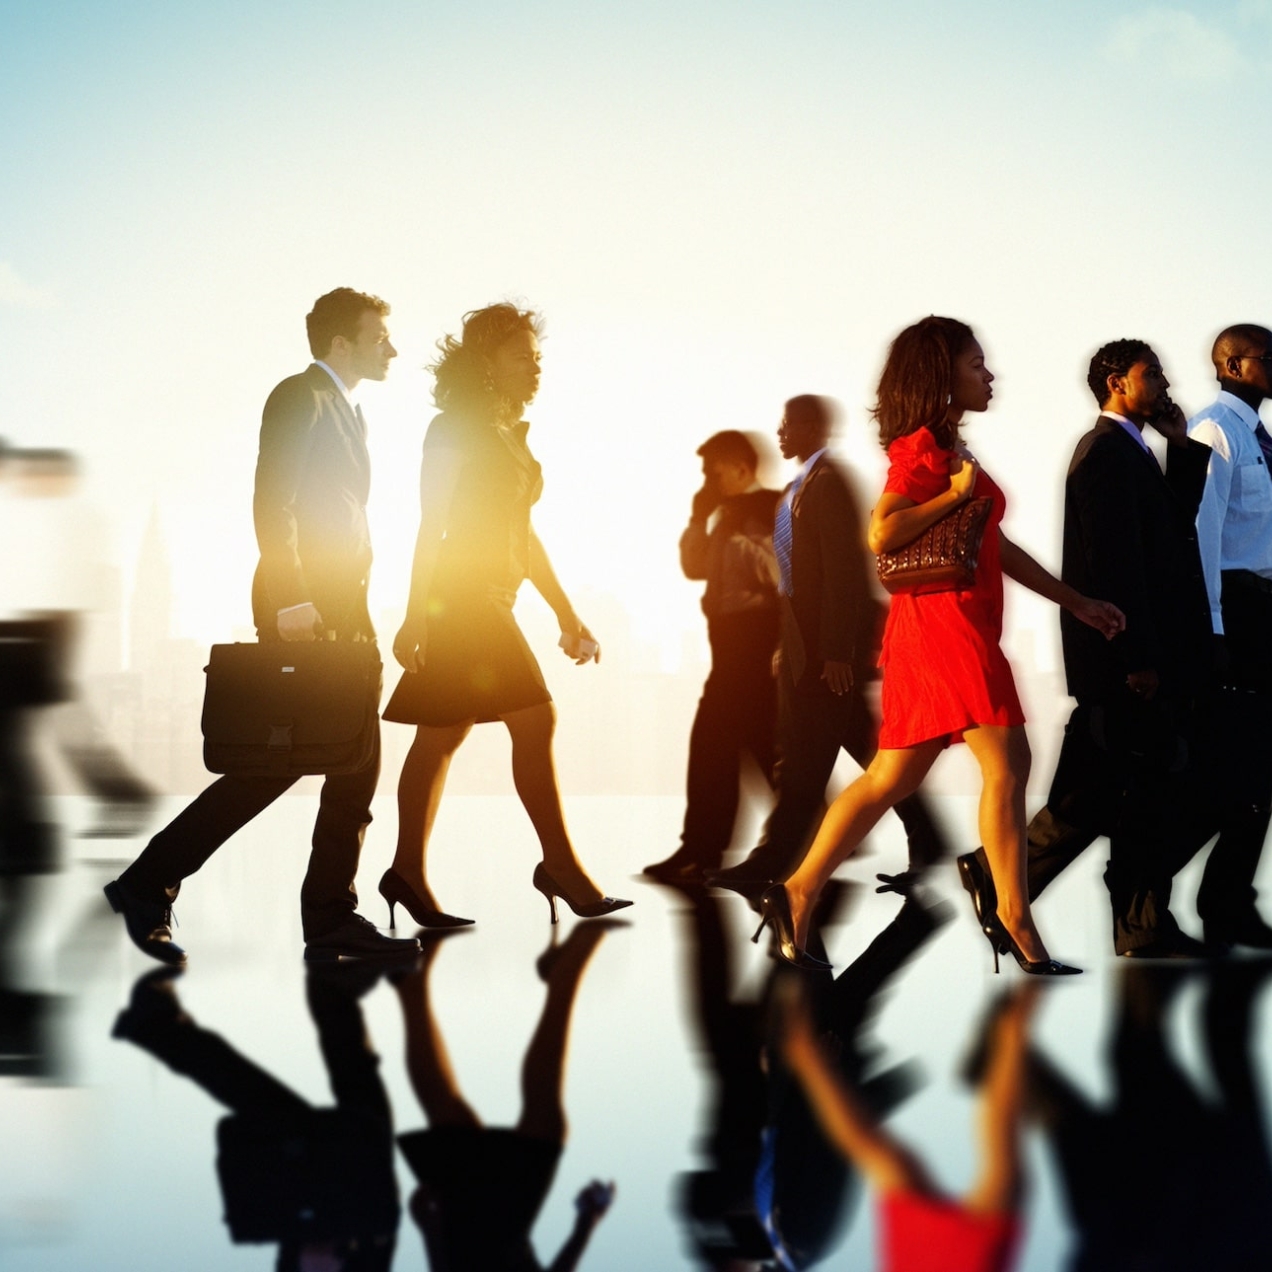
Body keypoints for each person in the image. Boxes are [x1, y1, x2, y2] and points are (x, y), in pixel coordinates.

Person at [755, 317, 1123, 973]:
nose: (989, 375)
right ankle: (1012, 914)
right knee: (1007, 758)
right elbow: (882, 533)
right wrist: (949, 494)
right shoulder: (922, 450)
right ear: (940, 375)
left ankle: (795, 890)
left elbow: (991, 543)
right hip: (942, 627)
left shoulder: (953, 447)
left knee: (893, 775)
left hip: (953, 625)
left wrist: (1077, 601)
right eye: (976, 364)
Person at [105, 288, 420, 965]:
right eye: (380, 336)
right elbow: (271, 497)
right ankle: (149, 881)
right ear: (341, 343)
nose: (393, 348)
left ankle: (329, 915)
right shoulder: (299, 396)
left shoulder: (345, 411)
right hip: (307, 603)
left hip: (343, 603)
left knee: (353, 757)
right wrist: (290, 596)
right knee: (287, 760)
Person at [959, 340, 1215, 958]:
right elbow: (1114, 566)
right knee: (1096, 796)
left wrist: (1179, 449)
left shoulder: (1136, 452)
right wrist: (1137, 658)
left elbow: (1174, 531)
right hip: (1123, 658)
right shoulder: (1103, 453)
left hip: (1140, 654)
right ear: (1115, 383)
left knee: (1140, 793)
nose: (1162, 382)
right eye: (1149, 373)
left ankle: (1139, 924)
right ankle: (999, 872)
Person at [381, 303, 630, 926]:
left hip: (497, 596)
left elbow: (526, 535)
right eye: (522, 356)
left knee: (441, 734)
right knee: (535, 717)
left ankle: (405, 872)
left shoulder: (508, 435)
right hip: (459, 596)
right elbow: (429, 524)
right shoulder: (452, 429)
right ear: (486, 363)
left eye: (538, 356)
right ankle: (561, 867)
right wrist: (414, 616)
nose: (535, 367)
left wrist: (567, 616)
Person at [709, 396, 949, 901]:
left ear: (812, 427)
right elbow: (796, 579)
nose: (779, 434)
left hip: (829, 656)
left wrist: (837, 652)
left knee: (800, 764)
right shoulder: (801, 487)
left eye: (787, 425)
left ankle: (772, 864)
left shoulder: (828, 484)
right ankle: (929, 839)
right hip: (809, 650)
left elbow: (842, 573)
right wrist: (787, 643)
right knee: (873, 755)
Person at [644, 430, 781, 885]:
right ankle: (704, 850)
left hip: (756, 642)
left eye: (713, 469)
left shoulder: (769, 509)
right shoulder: (723, 514)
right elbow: (694, 568)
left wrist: (742, 534)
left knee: (716, 744)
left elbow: (781, 574)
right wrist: (697, 517)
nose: (706, 478)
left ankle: (702, 850)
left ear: (741, 468)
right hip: (726, 643)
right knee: (754, 747)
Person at [1186, 324, 1272, 949]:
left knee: (1258, 768)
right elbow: (1203, 534)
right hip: (1237, 613)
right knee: (1241, 765)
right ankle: (1220, 903)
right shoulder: (1215, 428)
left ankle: (1229, 900)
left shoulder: (1259, 437)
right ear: (1235, 365)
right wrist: (1213, 626)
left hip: (1264, 611)